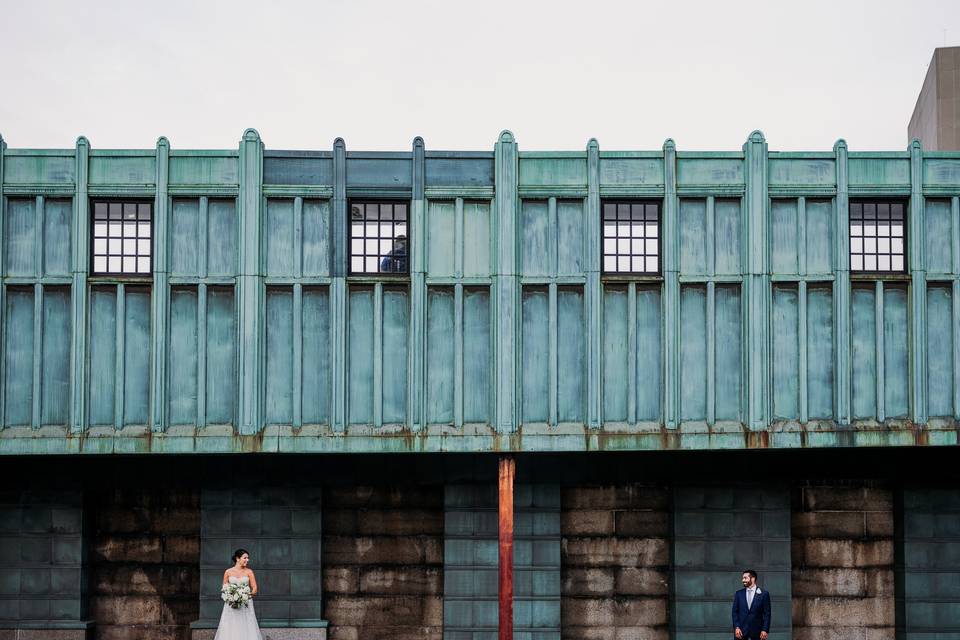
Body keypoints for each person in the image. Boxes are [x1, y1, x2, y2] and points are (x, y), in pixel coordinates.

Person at [214, 548, 262, 640]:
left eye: (248, 558)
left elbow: (255, 588)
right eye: (245, 558)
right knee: (231, 624)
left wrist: (247, 595)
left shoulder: (249, 572)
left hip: (246, 603)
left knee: (247, 624)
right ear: (237, 558)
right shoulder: (228, 572)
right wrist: (230, 597)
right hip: (231, 604)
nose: (247, 560)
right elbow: (224, 588)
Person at [732, 569, 770, 640]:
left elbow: (767, 614)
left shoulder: (764, 594)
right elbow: (734, 612)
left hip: (758, 632)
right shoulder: (738, 594)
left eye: (745, 578)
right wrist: (736, 627)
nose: (743, 580)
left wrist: (765, 629)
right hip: (741, 632)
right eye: (743, 578)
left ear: (753, 578)